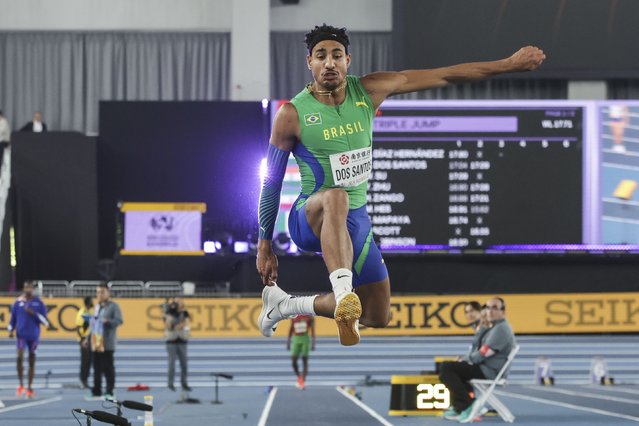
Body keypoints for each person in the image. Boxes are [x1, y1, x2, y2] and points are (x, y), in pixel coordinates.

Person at [256, 23, 545, 346]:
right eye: (321, 56)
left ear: (348, 60)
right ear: (310, 62)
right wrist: (264, 244)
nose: (329, 63)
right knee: (336, 196)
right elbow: (271, 182)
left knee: (378, 315)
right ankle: (343, 293)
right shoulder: (292, 114)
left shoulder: (370, 90)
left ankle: (287, 304)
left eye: (336, 55)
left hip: (355, 222)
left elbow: (446, 75)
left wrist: (507, 65)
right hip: (309, 217)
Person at [439, 297, 516, 422]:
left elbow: (481, 354)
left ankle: (467, 405)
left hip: (489, 371)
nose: (490, 311)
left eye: (494, 308)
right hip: (487, 368)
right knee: (454, 369)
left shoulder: (500, 329)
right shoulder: (494, 327)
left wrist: (464, 359)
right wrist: (484, 327)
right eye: (487, 307)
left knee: (447, 367)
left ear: (503, 311)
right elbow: (478, 348)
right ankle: (460, 407)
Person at [8, 281, 49, 398]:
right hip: (21, 336)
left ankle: (30, 387)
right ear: (23, 288)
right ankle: (21, 385)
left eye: (30, 287)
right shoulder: (17, 302)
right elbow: (12, 320)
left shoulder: (39, 303)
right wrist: (11, 330)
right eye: (26, 287)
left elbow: (46, 322)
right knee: (19, 357)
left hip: (33, 337)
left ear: (33, 289)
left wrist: (33, 313)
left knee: (31, 361)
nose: (28, 289)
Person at [87, 283, 123, 400]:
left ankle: (109, 391)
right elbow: (94, 324)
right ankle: (97, 391)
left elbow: (119, 321)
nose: (100, 295)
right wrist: (87, 339)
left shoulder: (114, 306)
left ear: (108, 293)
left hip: (107, 342)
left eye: (102, 292)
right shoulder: (97, 307)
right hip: (96, 341)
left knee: (108, 367)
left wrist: (107, 321)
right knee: (96, 367)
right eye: (98, 292)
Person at [164, 297, 192, 392]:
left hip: (182, 341)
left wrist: (175, 325)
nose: (178, 303)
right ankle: (170, 384)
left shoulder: (185, 313)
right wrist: (177, 325)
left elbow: (186, 324)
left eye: (180, 302)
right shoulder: (168, 313)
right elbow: (168, 326)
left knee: (184, 364)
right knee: (171, 364)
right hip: (171, 341)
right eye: (176, 302)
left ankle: (184, 383)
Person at [286, 314, 315, 389]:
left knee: (304, 360)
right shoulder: (294, 316)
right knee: (293, 361)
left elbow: (312, 330)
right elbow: (291, 328)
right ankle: (299, 377)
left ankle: (302, 381)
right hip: (296, 339)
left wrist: (313, 343)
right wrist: (288, 342)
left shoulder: (310, 317)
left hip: (305, 339)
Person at [75, 296, 94, 389]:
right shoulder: (82, 313)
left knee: (89, 361)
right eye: (91, 301)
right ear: (88, 302)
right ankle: (82, 381)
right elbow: (78, 328)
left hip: (90, 339)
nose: (93, 302)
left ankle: (85, 380)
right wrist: (82, 340)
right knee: (85, 361)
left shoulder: (89, 312)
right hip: (84, 340)